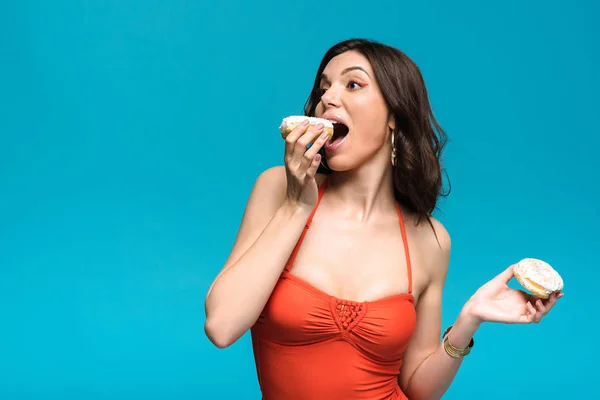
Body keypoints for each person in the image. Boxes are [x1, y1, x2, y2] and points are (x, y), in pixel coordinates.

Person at [203, 38, 563, 400]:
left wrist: (468, 321)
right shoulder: (278, 189)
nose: (327, 97)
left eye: (353, 84)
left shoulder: (431, 239)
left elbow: (418, 389)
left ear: (394, 115)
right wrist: (297, 206)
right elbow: (221, 326)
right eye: (323, 87)